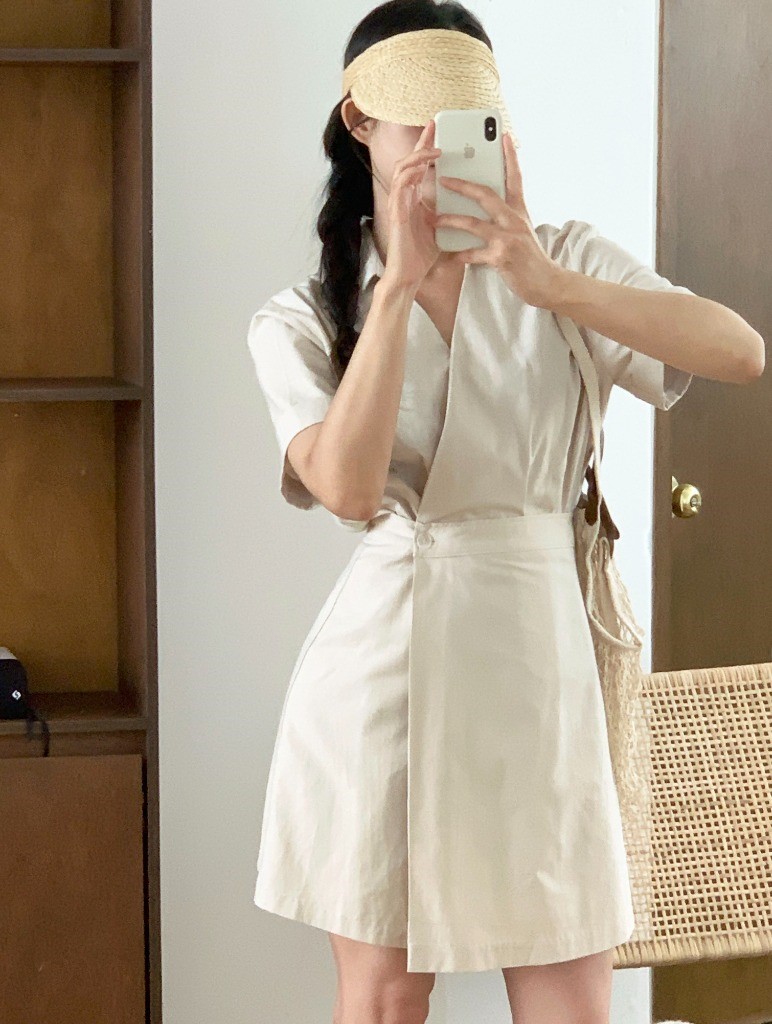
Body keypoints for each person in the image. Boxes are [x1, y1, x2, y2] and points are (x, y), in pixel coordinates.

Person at [246, 3, 765, 1022]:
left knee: (570, 1000)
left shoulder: (560, 261)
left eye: (467, 120)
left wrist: (546, 280)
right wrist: (398, 289)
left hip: (538, 668)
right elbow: (347, 492)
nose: (439, 147)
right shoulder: (305, 313)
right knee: (384, 1001)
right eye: (417, 120)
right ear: (359, 121)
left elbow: (738, 350)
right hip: (382, 677)